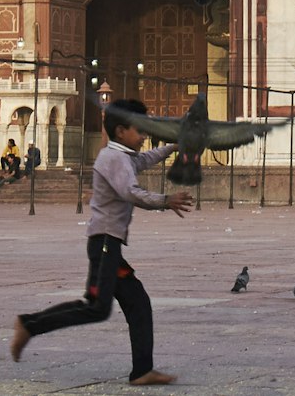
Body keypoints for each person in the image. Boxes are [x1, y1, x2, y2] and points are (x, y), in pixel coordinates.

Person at [11, 98, 191, 387]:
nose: (144, 136)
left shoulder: (124, 156)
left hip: (110, 245)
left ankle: (142, 370)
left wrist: (171, 147)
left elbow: (144, 160)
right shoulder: (113, 158)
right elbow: (131, 192)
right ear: (121, 131)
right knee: (96, 307)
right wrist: (165, 200)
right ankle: (29, 325)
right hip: (105, 243)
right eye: (140, 130)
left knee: (138, 303)